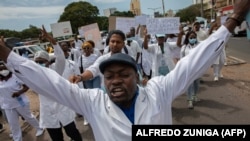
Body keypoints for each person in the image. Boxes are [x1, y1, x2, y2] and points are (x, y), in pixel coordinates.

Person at [0, 2, 249, 140]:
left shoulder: (158, 92)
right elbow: (48, 81)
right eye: (109, 76)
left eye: (124, 74)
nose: (115, 81)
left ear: (139, 77)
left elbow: (194, 61)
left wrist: (234, 19)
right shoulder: (92, 102)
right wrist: (5, 54)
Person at [32, 26, 82, 141]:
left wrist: (51, 39)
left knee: (73, 133)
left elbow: (60, 56)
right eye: (37, 62)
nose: (39, 64)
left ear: (48, 62)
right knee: (56, 138)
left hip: (63, 107)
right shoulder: (34, 76)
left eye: (42, 61)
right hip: (48, 111)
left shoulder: (55, 70)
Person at [0, 65, 44, 141]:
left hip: (20, 102)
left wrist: (19, 92)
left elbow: (26, 86)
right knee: (13, 123)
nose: (3, 71)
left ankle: (40, 128)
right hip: (7, 105)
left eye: (4, 68)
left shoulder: (16, 76)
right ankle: (17, 138)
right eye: (1, 69)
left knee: (28, 117)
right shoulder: (0, 80)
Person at [180, 30, 200, 109]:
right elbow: (181, 59)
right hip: (188, 69)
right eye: (191, 37)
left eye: (194, 37)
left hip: (197, 68)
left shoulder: (199, 45)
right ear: (187, 38)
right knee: (189, 84)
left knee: (196, 84)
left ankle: (194, 95)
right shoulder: (184, 47)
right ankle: (190, 100)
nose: (193, 39)